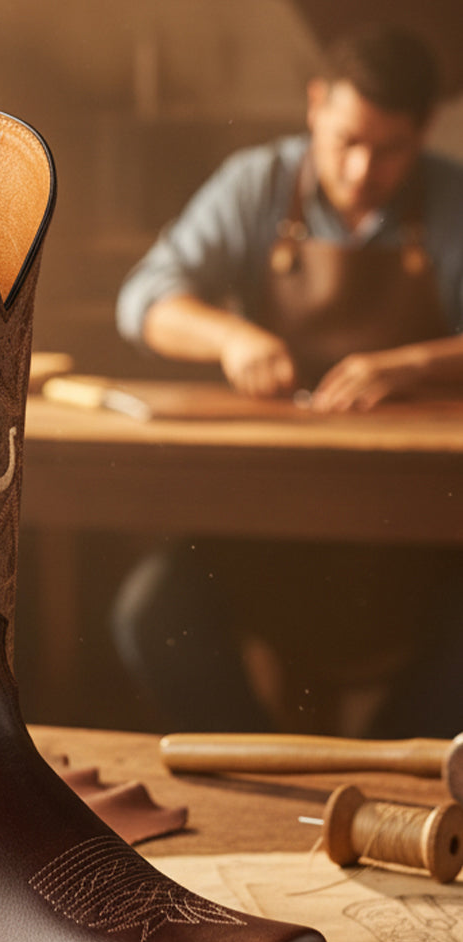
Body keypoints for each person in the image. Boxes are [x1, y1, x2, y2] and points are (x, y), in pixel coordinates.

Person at [113, 24, 463, 737]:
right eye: (346, 141)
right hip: (267, 517)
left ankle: (381, 776)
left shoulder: (453, 200)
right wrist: (230, 335)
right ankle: (265, 768)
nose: (364, 170)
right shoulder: (258, 183)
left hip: (419, 531)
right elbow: (143, 300)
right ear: (315, 106)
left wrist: (413, 365)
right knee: (152, 616)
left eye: (390, 149)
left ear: (424, 129)